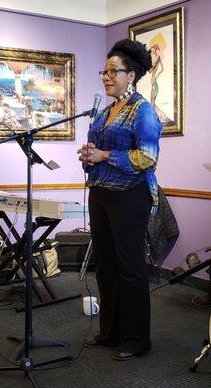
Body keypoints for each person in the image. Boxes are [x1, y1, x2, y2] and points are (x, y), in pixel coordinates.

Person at [77, 39, 162, 361]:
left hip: (130, 196)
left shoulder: (144, 111)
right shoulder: (104, 111)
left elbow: (147, 158)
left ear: (132, 75)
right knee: (105, 266)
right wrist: (88, 156)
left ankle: (136, 339)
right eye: (105, 71)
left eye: (114, 71)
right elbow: (96, 153)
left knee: (130, 268)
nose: (107, 76)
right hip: (100, 194)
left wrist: (105, 154)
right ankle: (109, 331)